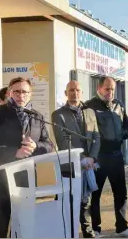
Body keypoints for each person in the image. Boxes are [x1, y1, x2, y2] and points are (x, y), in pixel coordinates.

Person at [0, 77, 52, 238]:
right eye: (17, 91)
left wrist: (36, 147)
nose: (21, 95)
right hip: (0, 181)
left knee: (23, 227)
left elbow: (49, 145)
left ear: (30, 95)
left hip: (26, 181)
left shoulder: (37, 116)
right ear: (9, 93)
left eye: (25, 92)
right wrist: (14, 152)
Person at [86, 76, 128, 237]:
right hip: (99, 157)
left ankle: (122, 227)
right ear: (99, 89)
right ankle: (95, 228)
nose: (110, 92)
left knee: (121, 193)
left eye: (112, 89)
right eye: (107, 88)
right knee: (95, 195)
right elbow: (87, 131)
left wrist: (120, 136)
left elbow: (127, 127)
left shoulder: (118, 105)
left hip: (116, 156)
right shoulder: (89, 106)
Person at [51, 80, 100, 238]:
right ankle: (69, 231)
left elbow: (96, 136)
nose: (75, 93)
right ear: (66, 93)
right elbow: (62, 141)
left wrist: (92, 157)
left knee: (86, 199)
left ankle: (86, 229)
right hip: (71, 163)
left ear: (82, 92)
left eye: (78, 90)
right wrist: (81, 159)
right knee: (71, 198)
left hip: (89, 164)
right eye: (71, 90)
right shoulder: (58, 115)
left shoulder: (90, 112)